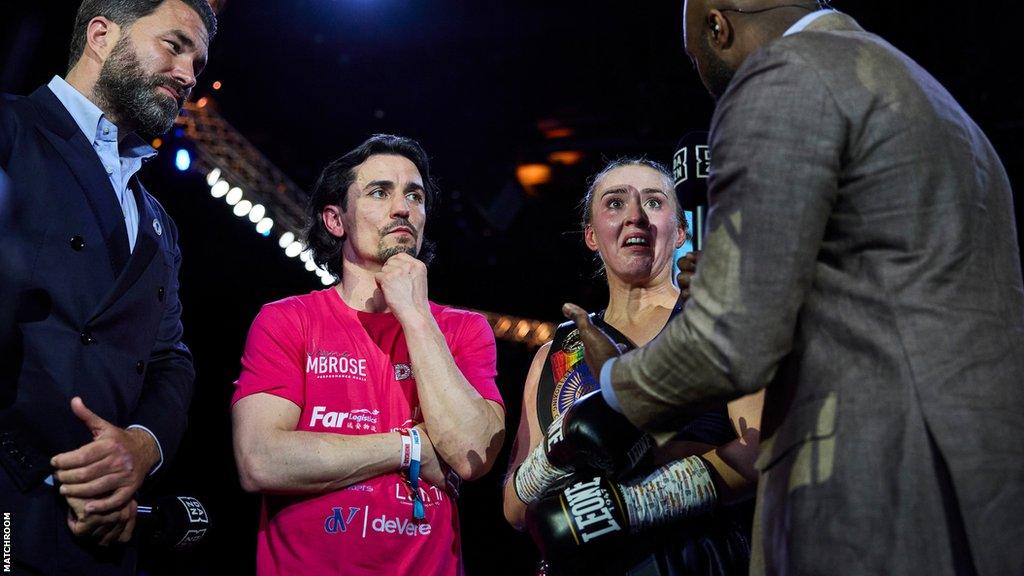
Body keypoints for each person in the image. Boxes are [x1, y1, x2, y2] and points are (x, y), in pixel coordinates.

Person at [566, 2, 1024, 575]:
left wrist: (611, 395)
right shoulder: (935, 102)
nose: (702, 78)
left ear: (718, 25)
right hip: (982, 494)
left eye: (694, 57)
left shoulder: (784, 78)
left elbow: (730, 339)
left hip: (868, 489)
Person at [0, 0, 215, 573]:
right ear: (101, 34)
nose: (188, 75)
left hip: (99, 531)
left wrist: (143, 445)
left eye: (197, 62)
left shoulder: (160, 222)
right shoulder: (11, 129)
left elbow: (172, 359)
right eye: (174, 45)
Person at [231, 134, 506, 575]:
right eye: (380, 192)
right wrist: (409, 445)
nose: (403, 208)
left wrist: (416, 316)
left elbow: (473, 453)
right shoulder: (287, 320)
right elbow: (261, 461)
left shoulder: (463, 329)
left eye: (414, 196)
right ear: (335, 220)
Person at [502, 159, 761, 575]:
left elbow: (761, 455)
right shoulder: (556, 354)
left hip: (700, 561)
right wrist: (556, 452)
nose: (635, 216)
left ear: (680, 231)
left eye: (654, 202)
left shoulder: (719, 321)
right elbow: (515, 508)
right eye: (615, 203)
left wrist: (636, 492)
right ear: (591, 235)